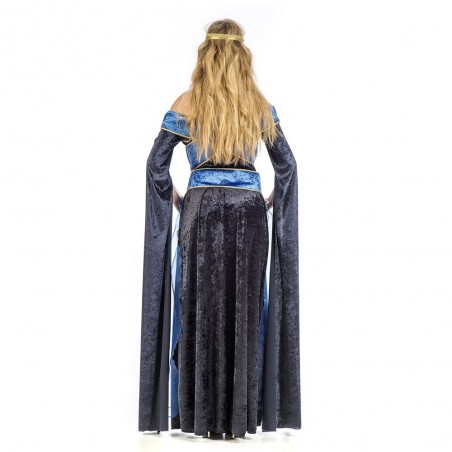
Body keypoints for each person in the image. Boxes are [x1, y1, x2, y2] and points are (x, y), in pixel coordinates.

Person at [138, 19, 301, 440]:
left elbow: (156, 165)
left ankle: (199, 415)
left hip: (201, 211)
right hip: (249, 211)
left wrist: (178, 198)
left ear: (204, 55)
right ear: (243, 56)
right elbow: (287, 166)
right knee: (244, 306)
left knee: (199, 305)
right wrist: (270, 199)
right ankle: (240, 417)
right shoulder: (258, 105)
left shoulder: (188, 102)